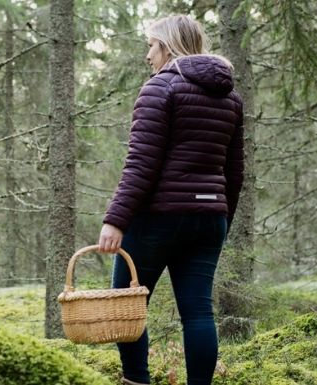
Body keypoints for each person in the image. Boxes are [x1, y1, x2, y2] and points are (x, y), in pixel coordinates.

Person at [96, 14, 245, 385]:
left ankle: (136, 381)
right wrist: (221, 218)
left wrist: (115, 219)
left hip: (160, 218)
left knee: (127, 305)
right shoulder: (230, 97)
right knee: (197, 312)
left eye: (152, 45)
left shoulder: (160, 88)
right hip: (210, 218)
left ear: (168, 46)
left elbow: (141, 164)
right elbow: (235, 170)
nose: (148, 55)